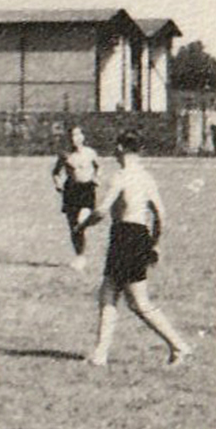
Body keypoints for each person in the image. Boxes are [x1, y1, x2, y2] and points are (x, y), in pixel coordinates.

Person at [78, 131, 190, 366]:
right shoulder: (147, 178)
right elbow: (161, 214)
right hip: (139, 235)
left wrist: (82, 225)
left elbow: (101, 211)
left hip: (124, 236)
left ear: (119, 147)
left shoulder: (120, 176)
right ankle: (100, 354)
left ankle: (179, 346)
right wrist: (155, 243)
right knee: (108, 292)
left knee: (138, 302)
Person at [50, 125, 101, 271]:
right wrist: (57, 184)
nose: (75, 139)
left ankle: (82, 246)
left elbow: (98, 167)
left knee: (80, 222)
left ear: (83, 136)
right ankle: (80, 256)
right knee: (73, 226)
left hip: (87, 190)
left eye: (77, 135)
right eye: (71, 136)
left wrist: (96, 178)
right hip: (71, 190)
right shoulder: (65, 155)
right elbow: (55, 172)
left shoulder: (90, 153)